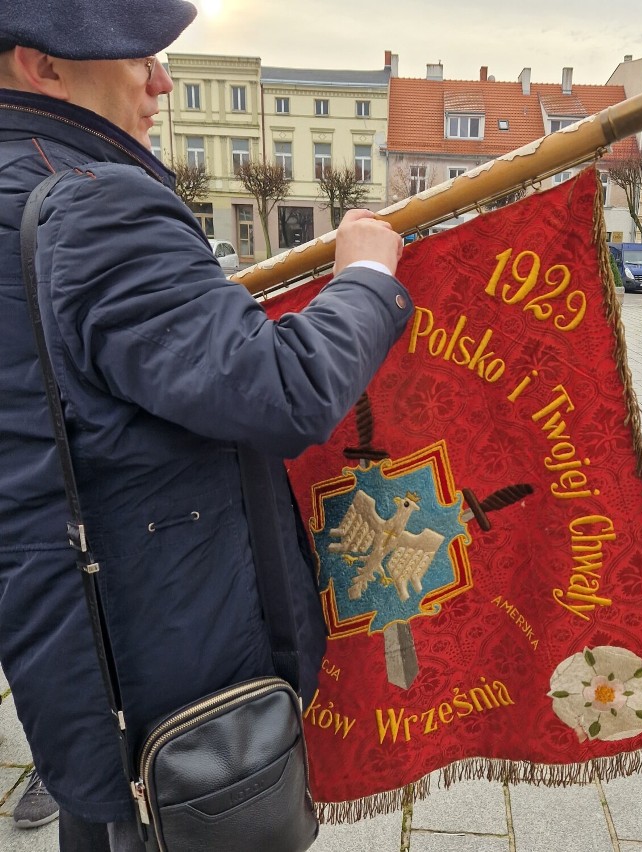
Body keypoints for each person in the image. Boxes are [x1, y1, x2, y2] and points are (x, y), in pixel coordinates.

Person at [0, 2, 412, 850]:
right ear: (41, 66)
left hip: (73, 641)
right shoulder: (93, 203)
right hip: (172, 655)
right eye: (138, 58)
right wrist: (367, 277)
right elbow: (284, 390)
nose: (162, 81)